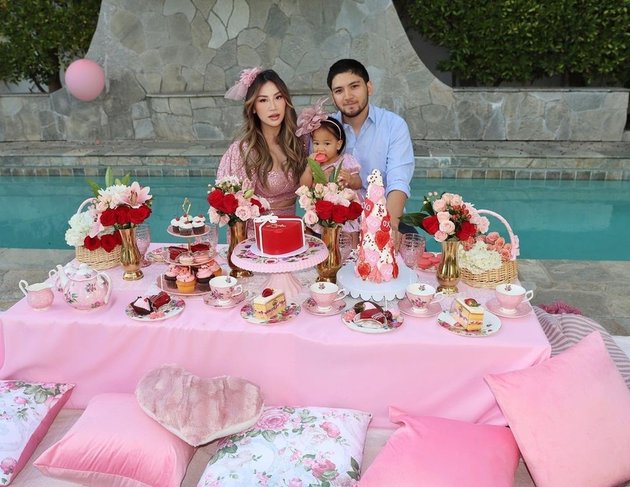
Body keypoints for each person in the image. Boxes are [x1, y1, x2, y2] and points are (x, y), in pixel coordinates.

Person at [326, 59, 415, 238]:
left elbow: (398, 181)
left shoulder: (394, 126)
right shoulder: (324, 130)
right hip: (337, 225)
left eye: (354, 86)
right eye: (339, 91)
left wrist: (387, 228)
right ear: (332, 97)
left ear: (369, 87)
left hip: (386, 217)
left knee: (414, 249)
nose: (347, 96)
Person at [218, 67, 306, 216]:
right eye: (263, 100)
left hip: (292, 230)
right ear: (253, 107)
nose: (273, 106)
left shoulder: (300, 142)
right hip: (257, 234)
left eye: (278, 97)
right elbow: (234, 214)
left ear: (286, 101)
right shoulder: (242, 151)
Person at [296, 97, 362, 245]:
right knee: (311, 232)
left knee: (350, 236)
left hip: (343, 211)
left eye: (327, 143)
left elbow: (358, 183)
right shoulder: (315, 164)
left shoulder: (346, 160)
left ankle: (352, 254)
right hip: (322, 212)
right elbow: (304, 186)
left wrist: (350, 180)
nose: (320, 148)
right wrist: (309, 168)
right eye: (316, 143)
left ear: (338, 144)